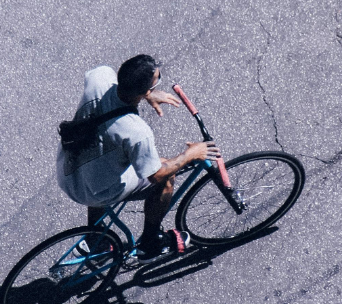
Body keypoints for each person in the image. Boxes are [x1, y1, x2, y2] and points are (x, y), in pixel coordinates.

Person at [56, 54, 221, 260]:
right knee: (166, 176)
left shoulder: (101, 78)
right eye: (156, 82)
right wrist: (189, 154)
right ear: (145, 91)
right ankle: (151, 242)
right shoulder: (136, 132)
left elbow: (109, 86)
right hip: (91, 190)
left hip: (68, 169)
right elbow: (155, 175)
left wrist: (144, 95)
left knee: (103, 162)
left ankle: (94, 239)